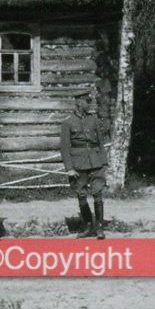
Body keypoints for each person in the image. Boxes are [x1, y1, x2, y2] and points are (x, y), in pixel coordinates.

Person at [61, 89, 108, 239]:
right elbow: (65, 148)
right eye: (87, 101)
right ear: (79, 102)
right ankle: (88, 226)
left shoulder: (93, 119)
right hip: (78, 163)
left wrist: (104, 162)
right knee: (81, 194)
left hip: (95, 161)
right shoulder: (68, 122)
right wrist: (69, 168)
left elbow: (101, 143)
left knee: (98, 193)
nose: (89, 104)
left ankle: (99, 228)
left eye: (90, 101)